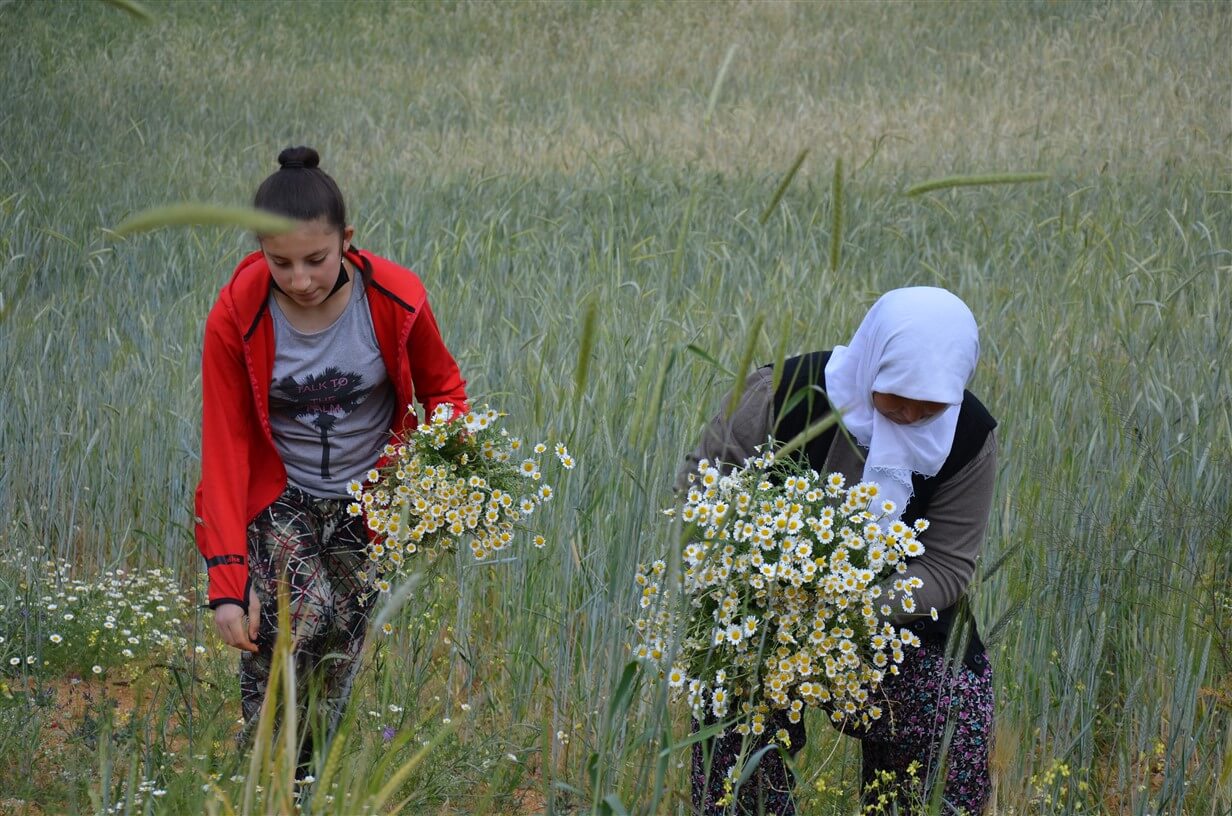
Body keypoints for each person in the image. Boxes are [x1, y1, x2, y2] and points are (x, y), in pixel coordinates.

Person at [194, 146, 469, 771]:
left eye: (316, 259)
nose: (299, 279)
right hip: (279, 490)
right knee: (300, 616)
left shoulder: (395, 299)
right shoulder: (236, 315)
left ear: (346, 240)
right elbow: (226, 444)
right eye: (280, 262)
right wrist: (227, 583)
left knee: (341, 643)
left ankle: (306, 778)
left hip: (368, 495)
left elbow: (445, 392)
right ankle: (263, 761)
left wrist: (436, 477)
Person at [678, 287, 996, 815]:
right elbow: (700, 484)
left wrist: (845, 616)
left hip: (894, 623)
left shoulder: (970, 437)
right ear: (872, 361)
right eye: (895, 392)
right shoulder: (787, 392)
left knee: (952, 717)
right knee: (729, 716)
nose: (912, 412)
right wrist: (759, 583)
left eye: (931, 401)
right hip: (761, 616)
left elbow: (946, 566)